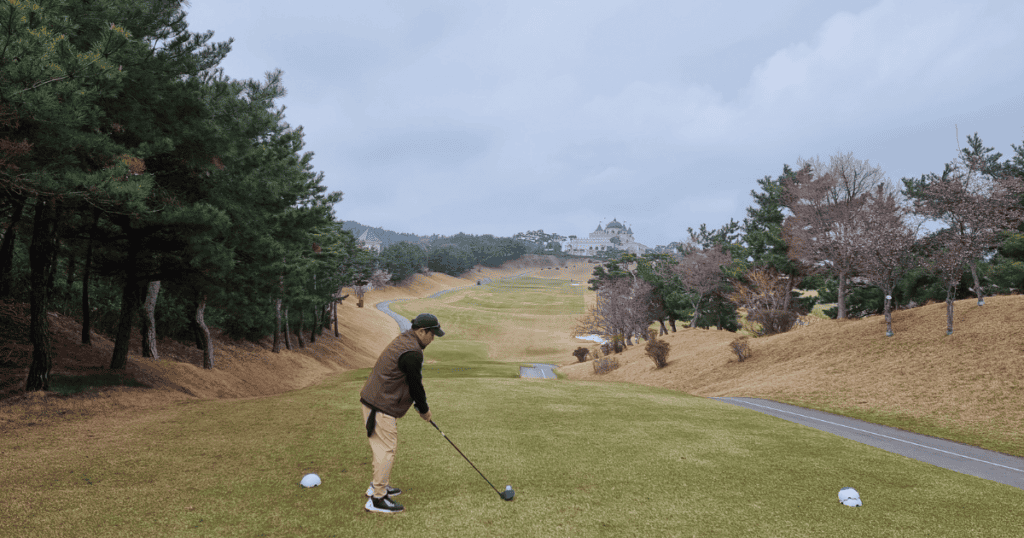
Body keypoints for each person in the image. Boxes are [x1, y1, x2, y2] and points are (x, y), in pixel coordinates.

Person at [360, 313, 444, 514]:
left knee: (382, 447)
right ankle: (377, 498)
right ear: (422, 331)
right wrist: (424, 410)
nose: (432, 339)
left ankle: (378, 485)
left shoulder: (405, 340)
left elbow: (405, 379)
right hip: (380, 404)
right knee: (386, 449)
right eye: (432, 335)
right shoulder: (413, 352)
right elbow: (416, 385)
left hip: (374, 400)